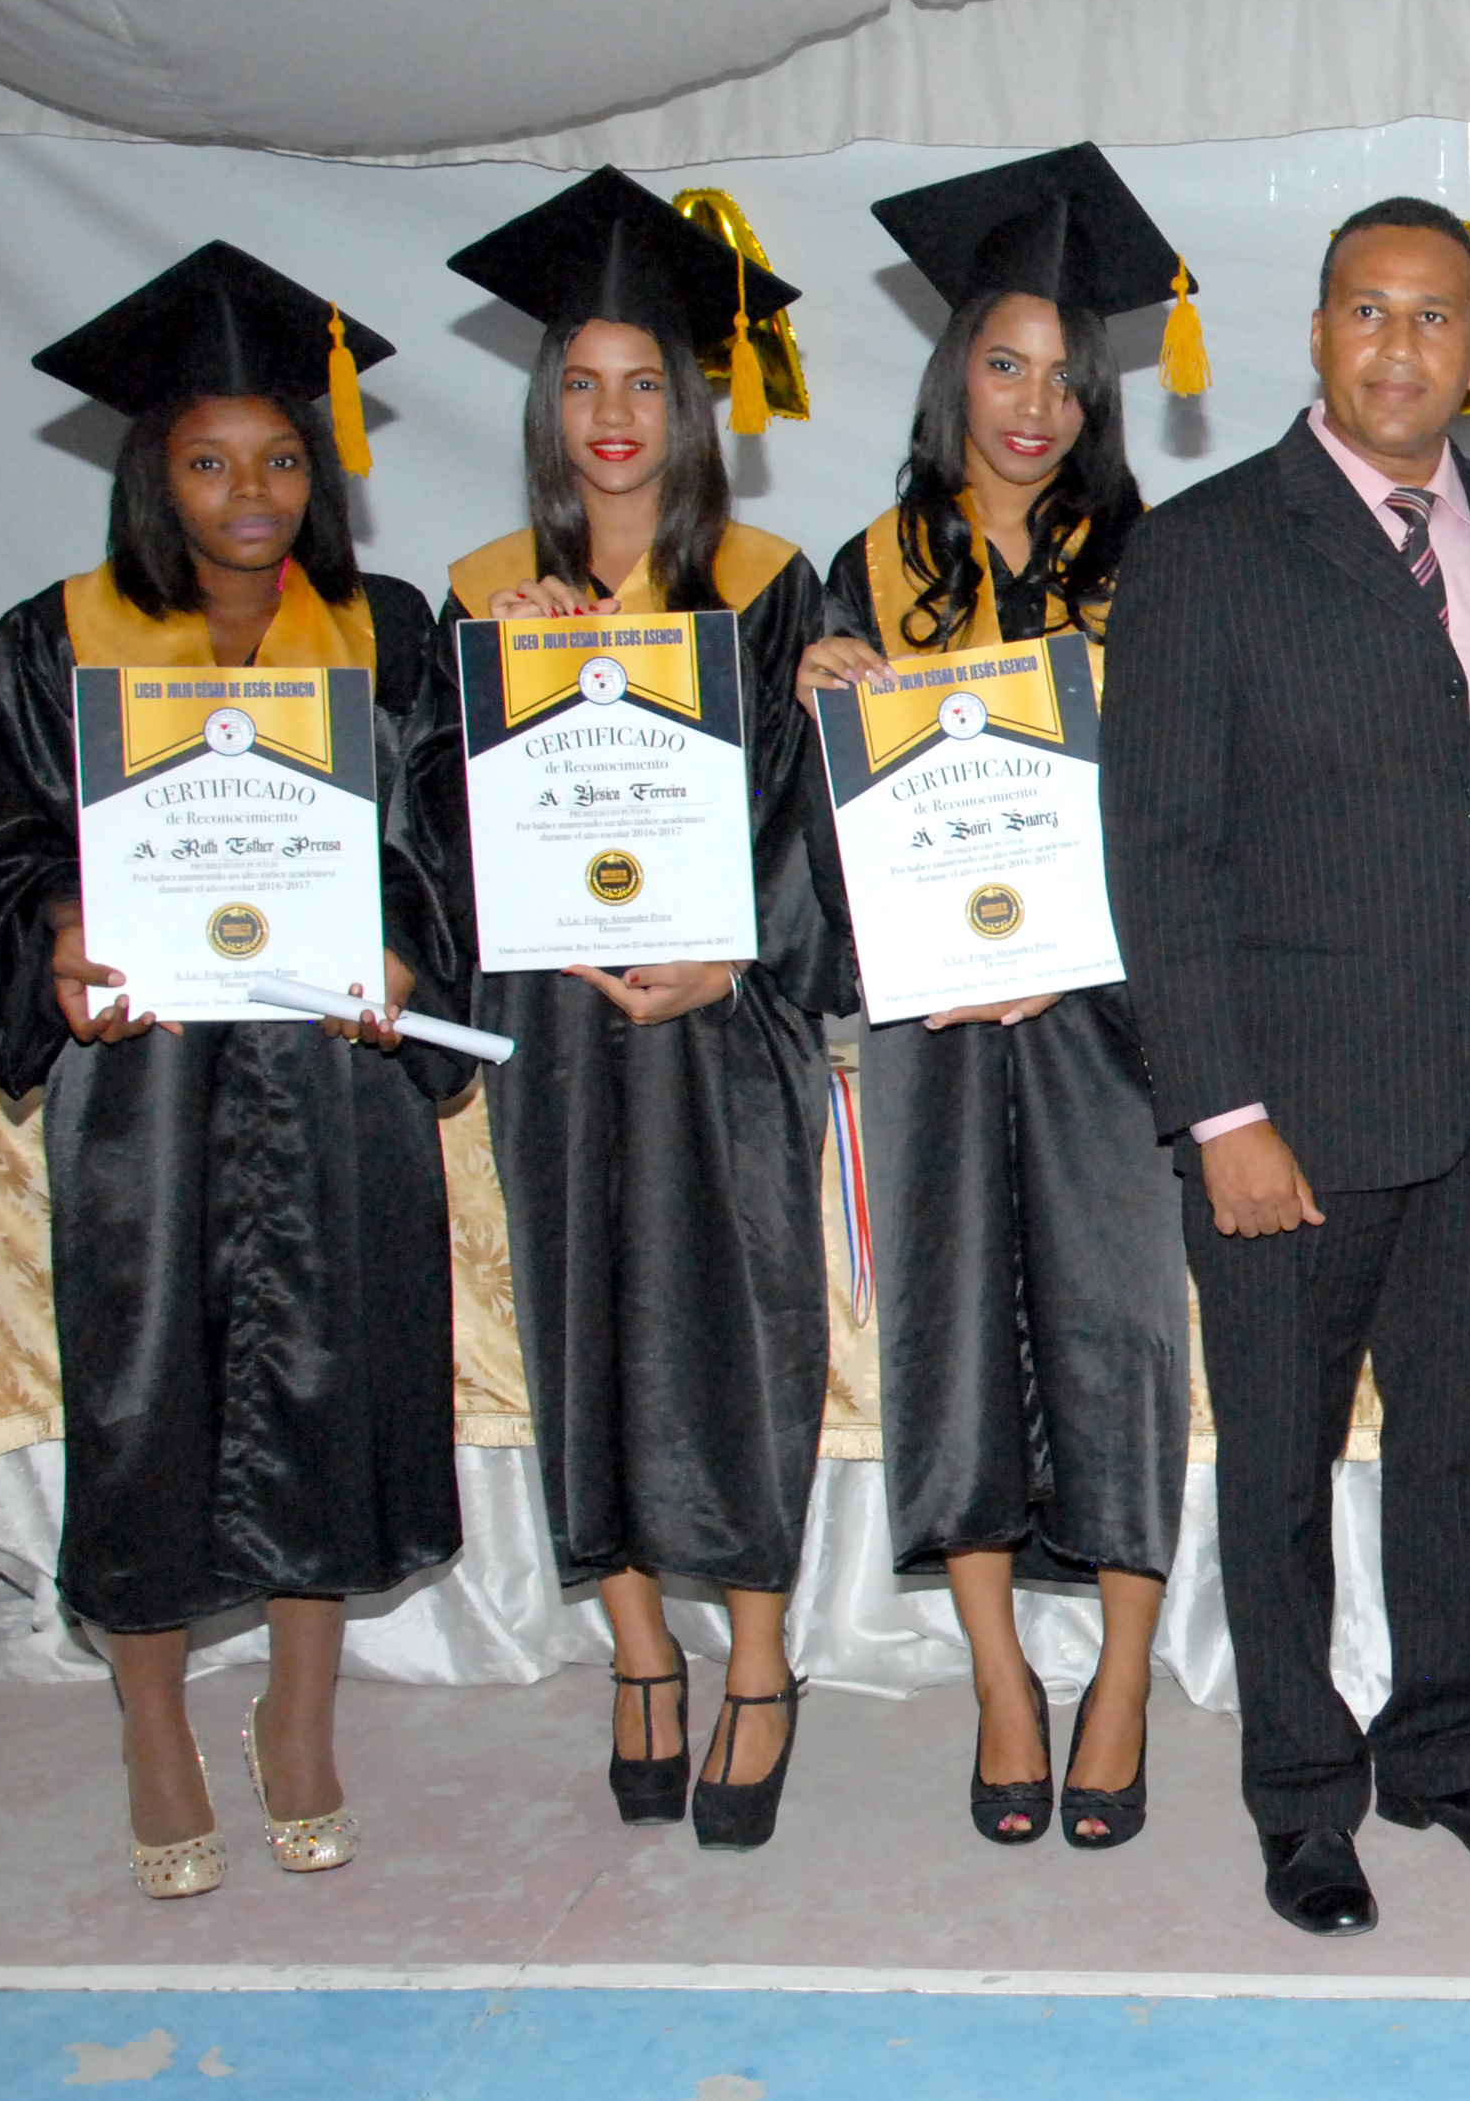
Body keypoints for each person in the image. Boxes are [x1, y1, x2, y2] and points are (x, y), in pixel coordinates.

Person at [0, 246, 466, 1896]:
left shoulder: (380, 631)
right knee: (144, 1395)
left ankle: (298, 1715)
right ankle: (154, 1721)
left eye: (283, 457)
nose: (252, 492)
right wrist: (59, 936)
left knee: (335, 1386)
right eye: (210, 460)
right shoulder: (57, 640)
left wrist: (408, 950)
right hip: (148, 1092)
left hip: (329, 1083)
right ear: (151, 474)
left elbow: (438, 842)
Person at [1104, 196, 1470, 1936]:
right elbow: (1160, 855)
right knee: (1281, 1468)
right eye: (1368, 313)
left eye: (1438, 316)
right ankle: (1303, 1796)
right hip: (1287, 1120)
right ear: (1315, 337)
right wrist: (1218, 1111)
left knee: (1458, 1451)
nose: (1403, 347)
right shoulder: (1206, 546)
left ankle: (1454, 1755)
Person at [431, 167, 857, 1852]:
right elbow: (424, 844)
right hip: (557, 1036)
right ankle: (633, 1651)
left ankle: (756, 1659)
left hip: (718, 1026)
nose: (614, 417)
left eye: (646, 386)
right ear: (548, 407)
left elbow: (813, 826)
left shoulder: (766, 583)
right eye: (582, 386)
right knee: (580, 1321)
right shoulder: (474, 597)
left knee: (732, 1333)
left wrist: (739, 951)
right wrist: (493, 695)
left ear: (693, 405)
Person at [793, 144, 1195, 1851]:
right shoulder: (867, 570)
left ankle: (1115, 1673)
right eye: (1004, 361)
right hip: (935, 1022)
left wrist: (1079, 953)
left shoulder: (1160, 563)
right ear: (958, 364)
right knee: (948, 1328)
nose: (1032, 404)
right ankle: (996, 1680)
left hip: (1104, 1023)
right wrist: (818, 707)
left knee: (1117, 1330)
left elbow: (1195, 804)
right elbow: (814, 838)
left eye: (1064, 374)